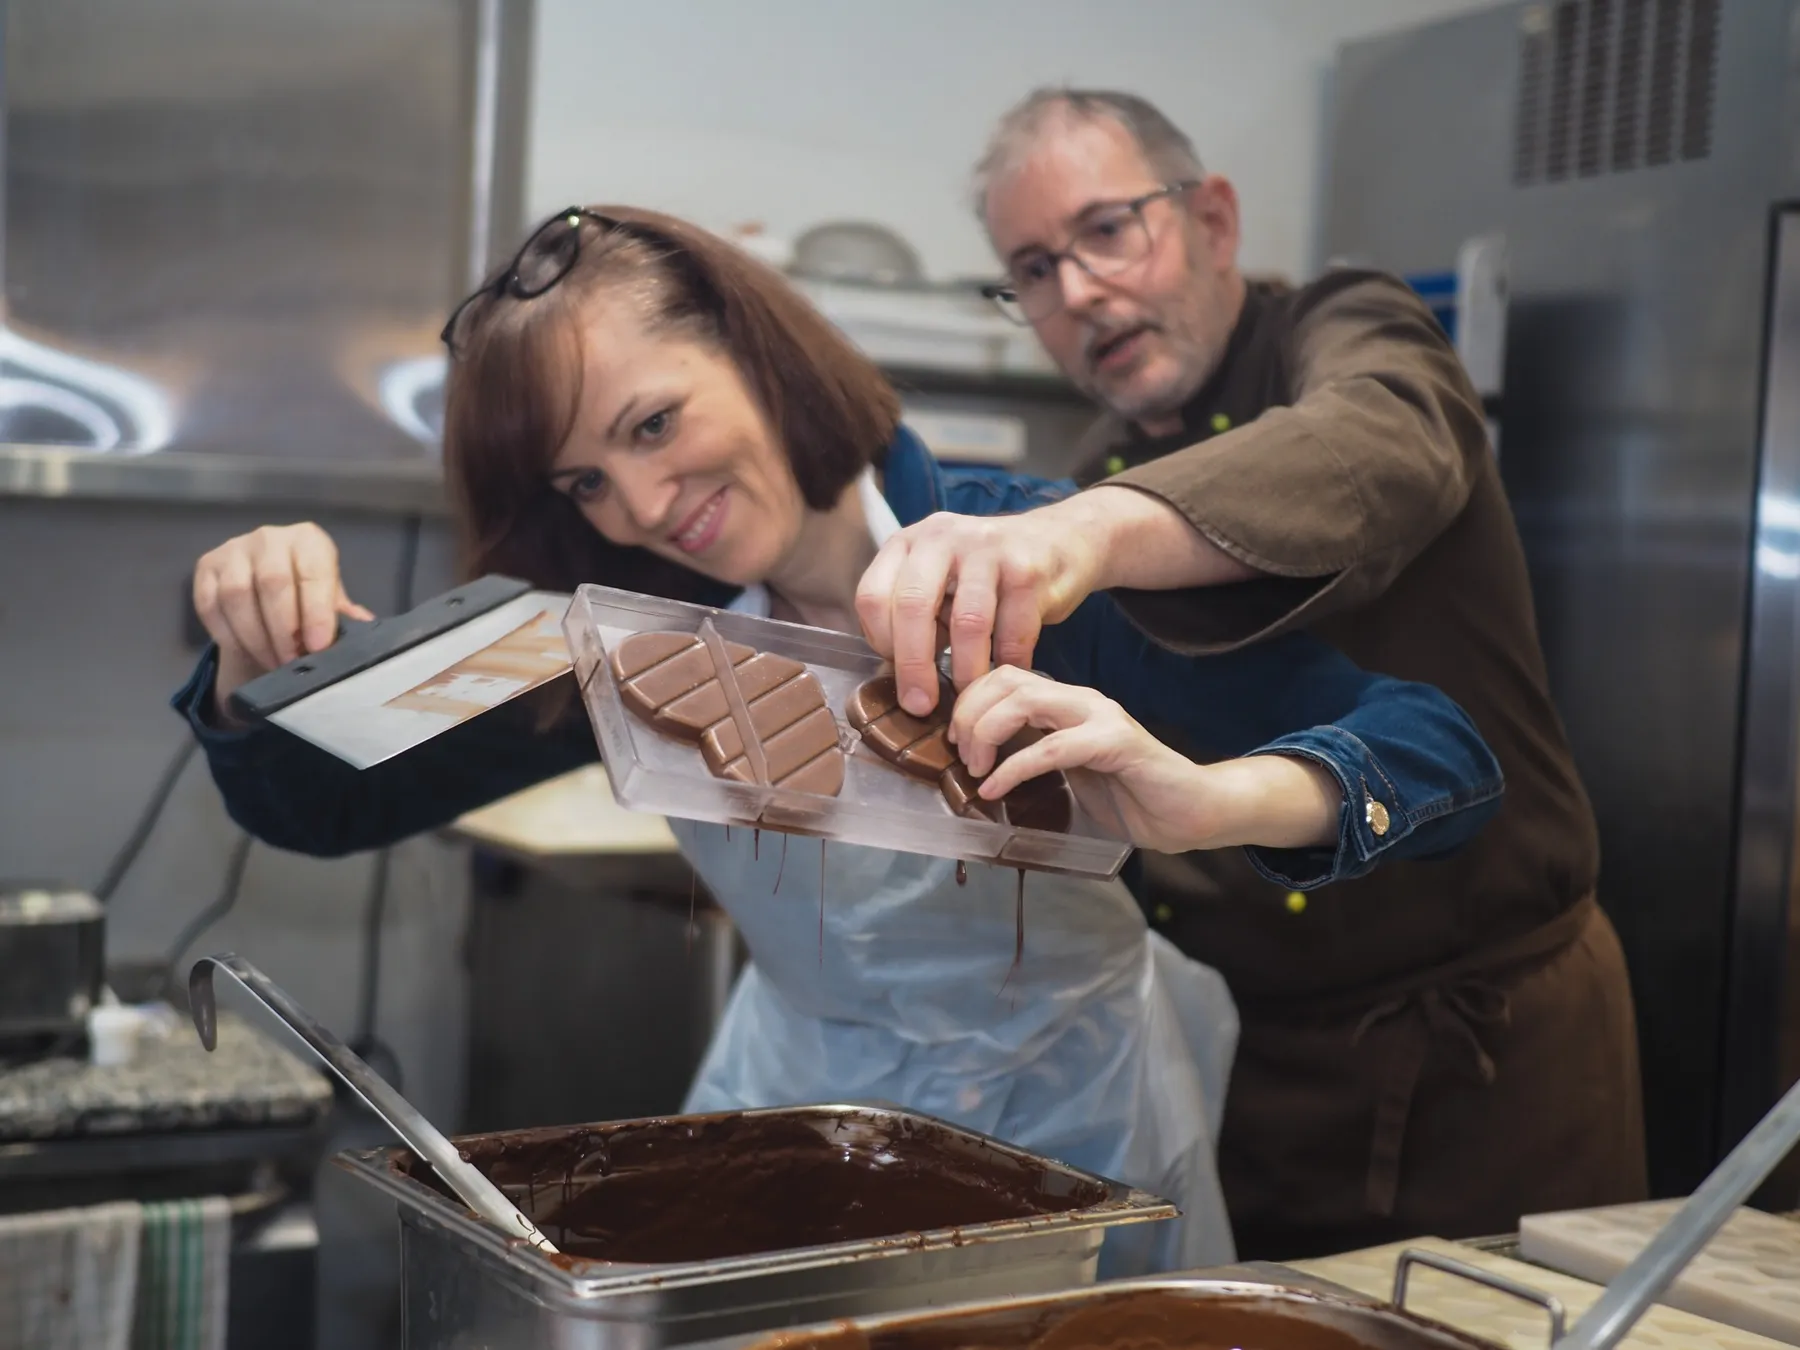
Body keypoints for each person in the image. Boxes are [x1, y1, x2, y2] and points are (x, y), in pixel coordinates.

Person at [175, 204, 1504, 1273]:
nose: (640, 504)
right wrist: (251, 664)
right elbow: (316, 806)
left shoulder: (1026, 560)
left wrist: (1197, 799)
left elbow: (1438, 751)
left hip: (1072, 1143)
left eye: (655, 423)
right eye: (584, 478)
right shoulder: (622, 632)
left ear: (760, 356)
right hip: (786, 1134)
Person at [856, 88, 1646, 1260]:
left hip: (1489, 1048)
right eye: (1032, 269)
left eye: (1108, 230)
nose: (1077, 292)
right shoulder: (1088, 470)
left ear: (1214, 220)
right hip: (1251, 1058)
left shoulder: (1346, 332)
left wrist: (1092, 535)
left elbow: (1382, 441)